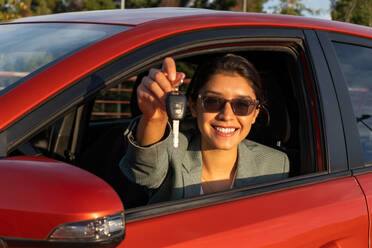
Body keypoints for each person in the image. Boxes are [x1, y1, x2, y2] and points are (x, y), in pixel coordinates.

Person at [120, 54, 289, 204]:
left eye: (242, 105)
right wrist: (154, 118)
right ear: (193, 106)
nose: (227, 115)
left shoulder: (275, 165)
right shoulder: (172, 153)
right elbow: (144, 169)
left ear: (254, 114)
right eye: (212, 101)